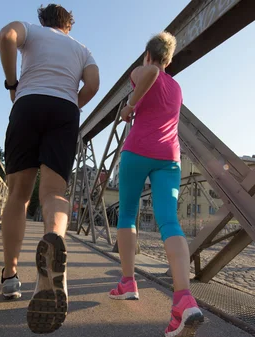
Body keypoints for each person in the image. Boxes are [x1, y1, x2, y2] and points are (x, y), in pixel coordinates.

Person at [0, 3, 100, 334]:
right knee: (54, 191)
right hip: (64, 110)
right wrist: (72, 102)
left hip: (28, 103)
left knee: (19, 194)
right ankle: (53, 239)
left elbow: (6, 36)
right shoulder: (82, 49)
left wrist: (12, 83)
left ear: (44, 20)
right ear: (68, 26)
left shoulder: (31, 29)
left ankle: (10, 277)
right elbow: (94, 84)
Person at [108, 32, 204, 337]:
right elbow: (159, 78)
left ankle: (127, 282)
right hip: (169, 159)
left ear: (148, 55)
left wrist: (129, 105)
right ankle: (183, 299)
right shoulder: (177, 87)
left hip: (137, 152)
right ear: (170, 59)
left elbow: (150, 73)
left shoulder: (144, 70)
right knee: (169, 221)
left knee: (126, 215)